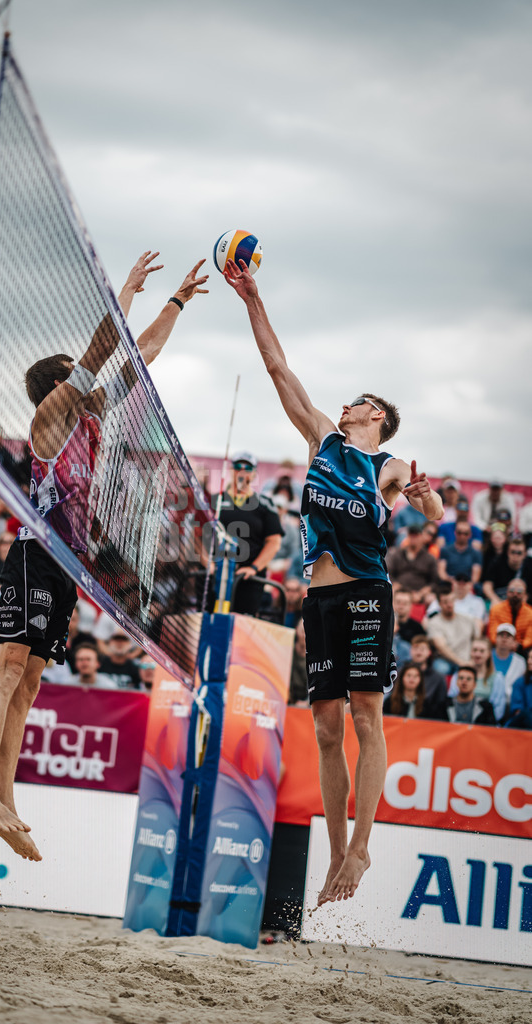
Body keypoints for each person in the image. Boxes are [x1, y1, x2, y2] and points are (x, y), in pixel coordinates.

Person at [0, 253, 208, 861]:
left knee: (29, 684)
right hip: (33, 552)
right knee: (8, 669)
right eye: (78, 377)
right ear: (60, 386)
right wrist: (125, 291)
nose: (91, 382)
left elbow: (141, 356)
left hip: (68, 564)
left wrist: (176, 302)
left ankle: (5, 798)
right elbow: (103, 350)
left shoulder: (93, 420)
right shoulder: (49, 420)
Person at [223, 257, 443, 906]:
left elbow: (429, 508)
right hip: (318, 599)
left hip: (367, 592)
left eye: (364, 402)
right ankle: (333, 852)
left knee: (367, 717)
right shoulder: (323, 440)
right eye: (352, 400)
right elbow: (276, 368)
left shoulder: (388, 464)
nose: (351, 404)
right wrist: (251, 299)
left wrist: (426, 499)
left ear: (374, 417)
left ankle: (361, 848)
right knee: (324, 725)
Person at [211, 452, 283, 616]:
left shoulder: (265, 504)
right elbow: (198, 534)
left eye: (247, 468)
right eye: (238, 467)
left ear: (254, 474)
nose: (242, 472)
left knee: (240, 625)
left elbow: (274, 542)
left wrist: (253, 568)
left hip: (248, 579)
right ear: (231, 470)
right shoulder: (216, 501)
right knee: (209, 620)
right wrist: (206, 563)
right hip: (215, 575)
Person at [425, 586, 481, 677]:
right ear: (439, 604)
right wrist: (461, 663)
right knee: (440, 668)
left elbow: (477, 640)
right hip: (446, 661)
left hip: (468, 659)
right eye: (445, 602)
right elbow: (442, 647)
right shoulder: (434, 622)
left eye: (451, 601)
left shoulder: (468, 619)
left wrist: (472, 660)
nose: (449, 604)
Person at [386, 524, 440, 608]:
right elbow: (389, 574)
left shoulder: (429, 558)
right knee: (390, 593)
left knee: (431, 599)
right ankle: (393, 618)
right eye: (411, 536)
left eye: (416, 536)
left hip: (420, 593)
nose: (413, 539)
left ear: (422, 536)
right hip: (400, 590)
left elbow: (434, 581)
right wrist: (397, 586)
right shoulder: (397, 554)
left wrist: (422, 593)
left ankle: (426, 620)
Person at [383, 662, 448, 720]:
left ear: (421, 680)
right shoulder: (390, 702)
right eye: (409, 675)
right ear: (402, 678)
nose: (412, 679)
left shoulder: (428, 705)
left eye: (416, 676)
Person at [489, 623, 526, 722]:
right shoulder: (487, 656)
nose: (504, 639)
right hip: (489, 698)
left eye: (508, 636)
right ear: (496, 638)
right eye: (501, 635)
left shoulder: (520, 661)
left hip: (509, 702)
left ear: (514, 641)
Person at [482, 535, 532, 603]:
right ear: (508, 552)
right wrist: (495, 599)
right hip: (499, 600)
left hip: (520, 603)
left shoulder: (529, 566)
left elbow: (528, 595)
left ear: (525, 554)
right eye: (513, 552)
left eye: (519, 553)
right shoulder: (497, 563)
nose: (515, 555)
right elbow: (487, 585)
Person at [487, 580, 532, 648]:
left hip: (521, 647)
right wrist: (503, 643)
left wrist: (519, 645)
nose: (515, 595)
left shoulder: (530, 613)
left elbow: (530, 637)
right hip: (500, 645)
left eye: (519, 592)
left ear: (525, 595)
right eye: (511, 591)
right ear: (507, 592)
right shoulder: (496, 609)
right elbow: (492, 633)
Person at [505, 649, 532, 730]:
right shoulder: (520, 682)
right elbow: (518, 712)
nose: (529, 661)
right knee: (526, 714)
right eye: (529, 657)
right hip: (523, 726)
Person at [469, 637, 496, 701]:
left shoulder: (497, 678)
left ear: (489, 654)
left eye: (482, 651)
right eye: (475, 650)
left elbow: (497, 705)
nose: (477, 654)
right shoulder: (460, 674)